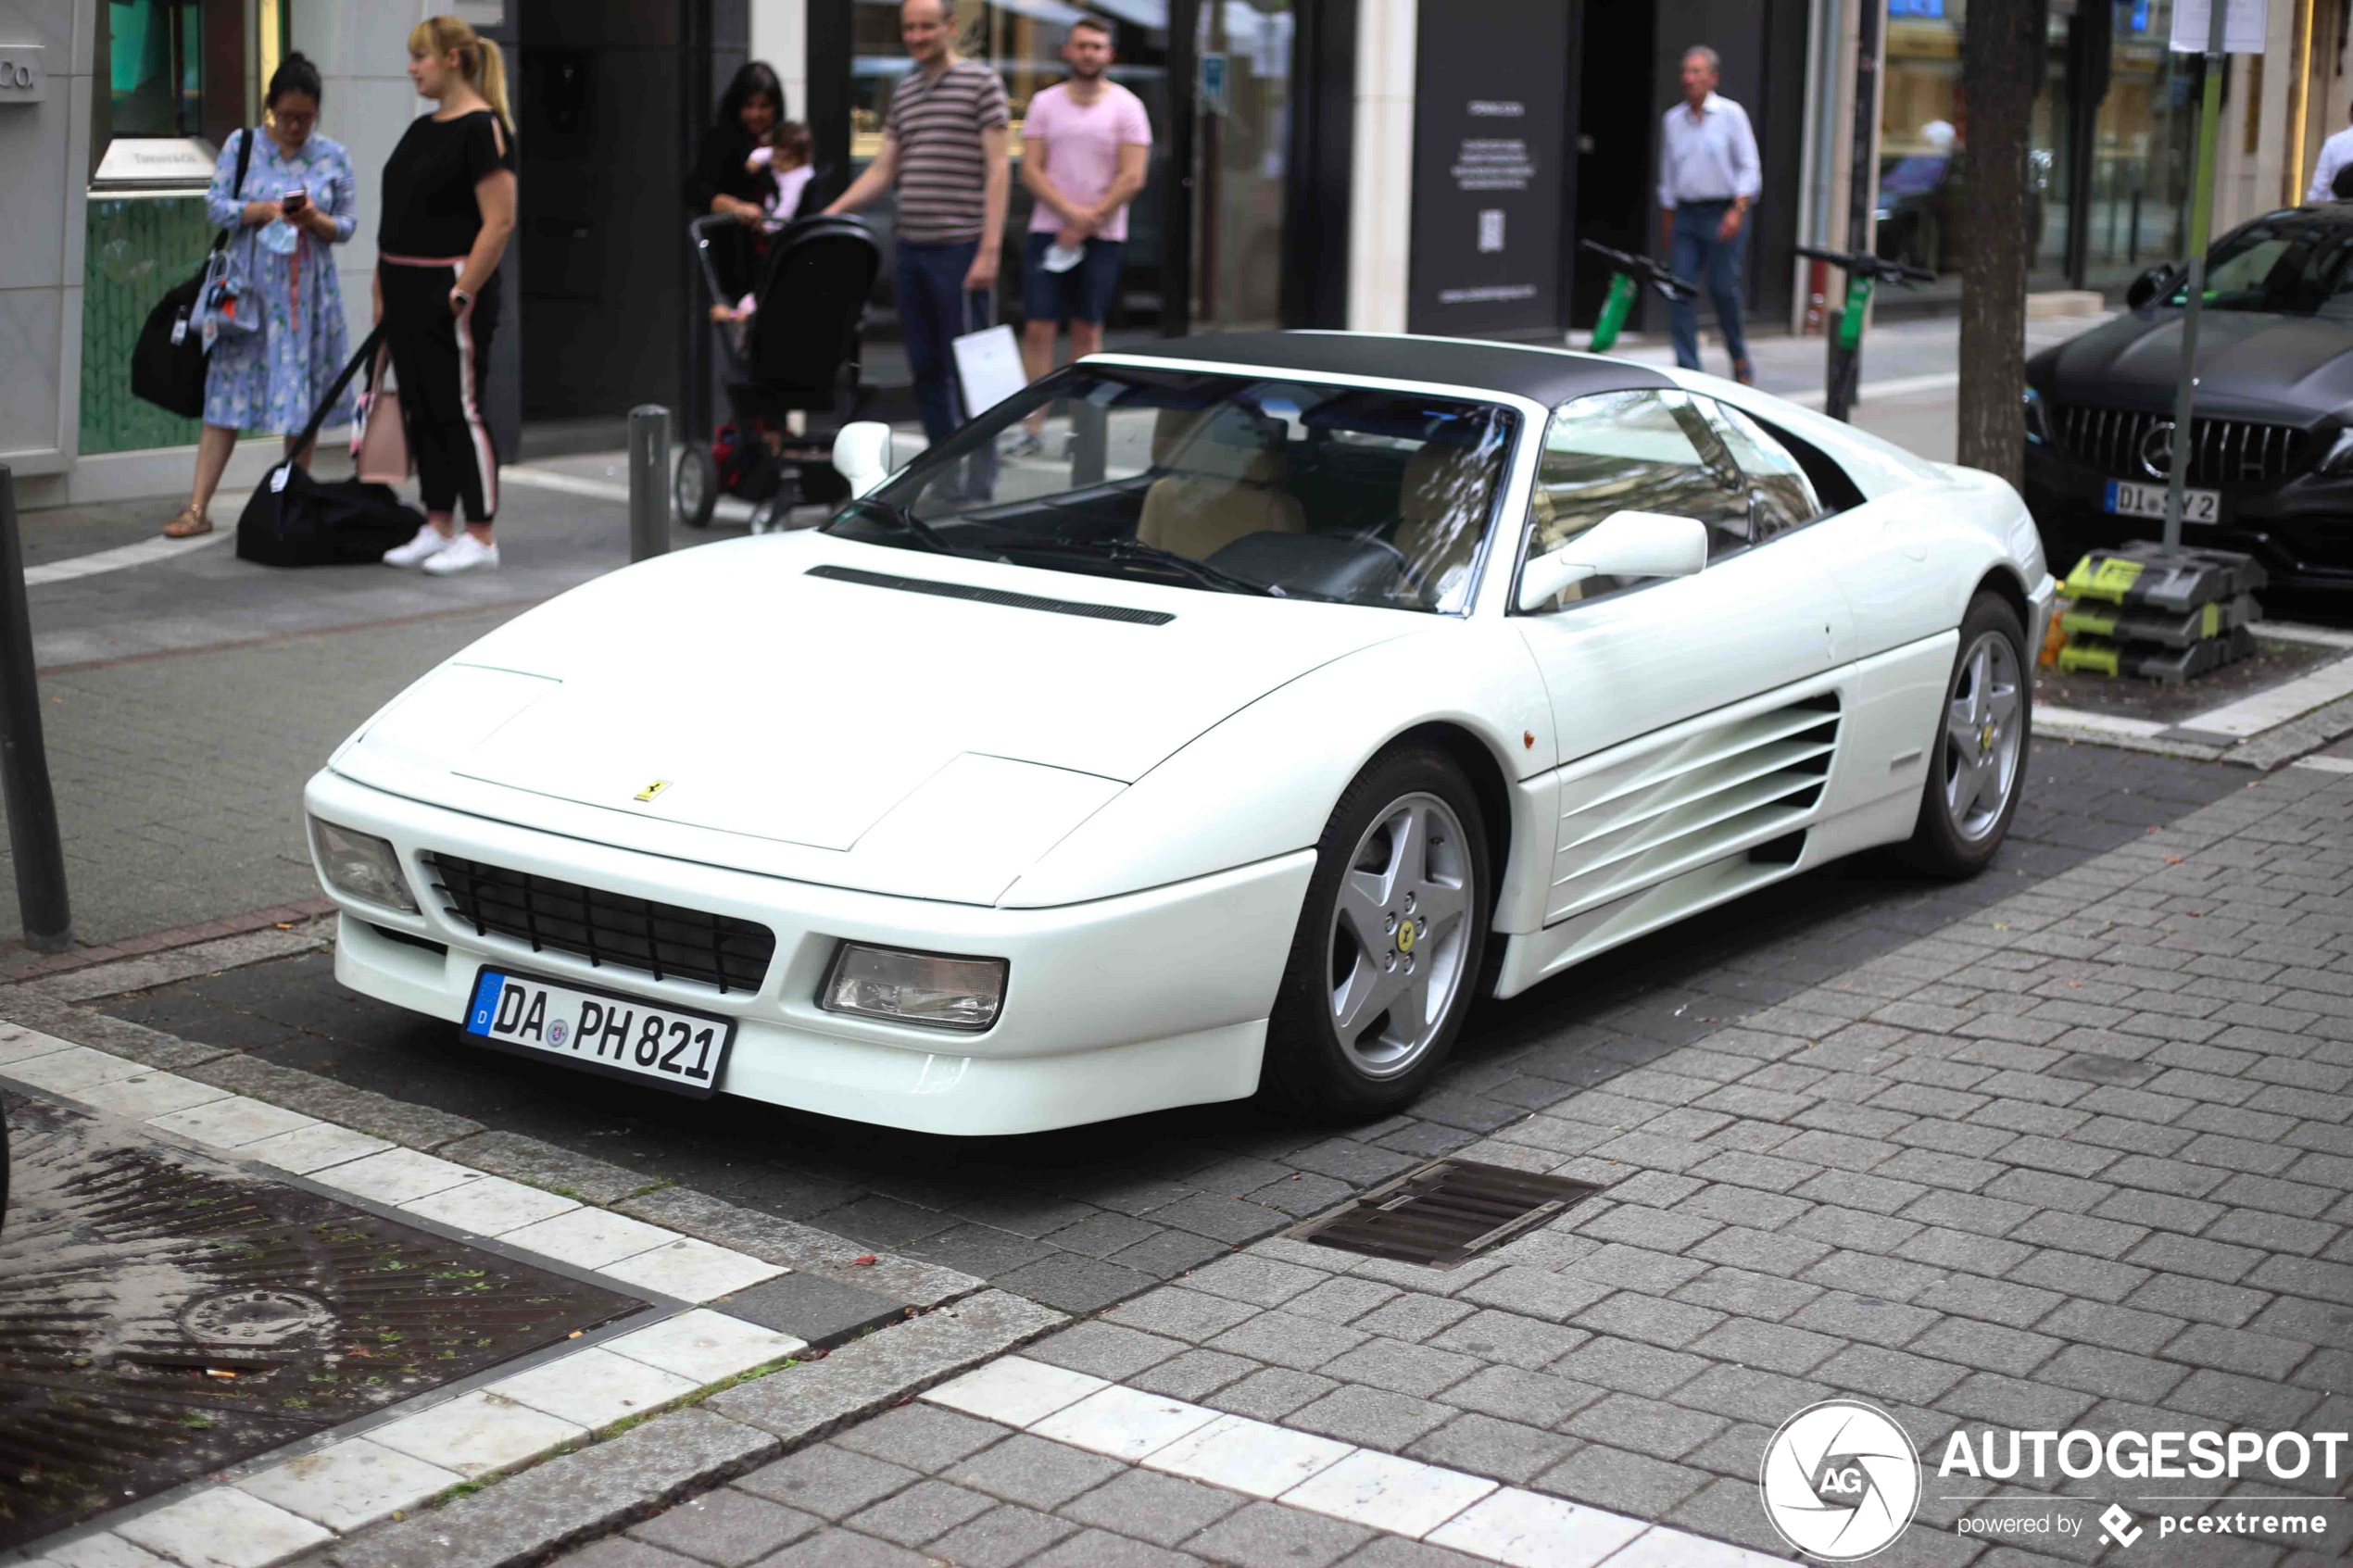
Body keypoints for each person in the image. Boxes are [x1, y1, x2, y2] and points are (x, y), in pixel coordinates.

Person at [164, 53, 357, 538]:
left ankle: (294, 504)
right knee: (224, 399)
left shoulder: (334, 155)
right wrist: (265, 209)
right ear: (270, 106)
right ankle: (197, 508)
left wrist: (315, 219)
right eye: (287, 116)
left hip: (308, 298)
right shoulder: (241, 144)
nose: (295, 126)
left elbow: (348, 226)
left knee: (302, 402)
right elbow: (216, 206)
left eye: (306, 118)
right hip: (246, 298)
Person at [825, 0, 1010, 502]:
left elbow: (999, 169)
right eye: (909, 27)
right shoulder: (905, 91)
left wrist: (990, 249)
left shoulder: (981, 83)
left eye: (927, 25)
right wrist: (832, 212)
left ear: (950, 27)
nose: (917, 35)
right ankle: (944, 476)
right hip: (911, 250)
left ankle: (982, 482)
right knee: (927, 370)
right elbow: (884, 169)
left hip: (962, 249)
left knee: (972, 371)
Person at [375, 15, 519, 576]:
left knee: (460, 409)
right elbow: (398, 216)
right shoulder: (422, 128)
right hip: (405, 287)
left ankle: (480, 534)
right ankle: (437, 524)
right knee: (422, 408)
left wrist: (461, 292)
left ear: (453, 60)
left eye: (420, 57)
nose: (412, 68)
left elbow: (499, 222)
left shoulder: (483, 128)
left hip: (448, 289)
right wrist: (381, 287)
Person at [1008, 15, 1149, 458]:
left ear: (1109, 55)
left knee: (1088, 331)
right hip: (1048, 232)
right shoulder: (1046, 103)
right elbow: (1030, 169)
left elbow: (1133, 176)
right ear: (1067, 51)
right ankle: (1032, 430)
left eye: (1097, 47)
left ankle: (1081, 432)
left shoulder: (1127, 106)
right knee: (1038, 329)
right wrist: (1069, 215)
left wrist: (1089, 220)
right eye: (1081, 45)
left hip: (1103, 236)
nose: (1088, 53)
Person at [1657, 45, 1760, 384]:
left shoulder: (1732, 115)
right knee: (1681, 291)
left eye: (1697, 71)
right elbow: (1669, 173)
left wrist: (1738, 209)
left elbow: (1749, 167)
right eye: (1686, 71)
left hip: (1724, 211)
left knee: (1722, 289)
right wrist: (1668, 214)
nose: (1689, 78)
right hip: (1686, 214)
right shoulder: (1673, 120)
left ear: (1712, 77)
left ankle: (1738, 354)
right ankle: (1690, 372)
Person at [692, 62, 795, 309]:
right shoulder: (721, 140)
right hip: (737, 253)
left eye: (763, 106)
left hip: (779, 251)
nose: (755, 114)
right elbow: (696, 189)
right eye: (748, 106)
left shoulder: (787, 140)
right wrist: (737, 207)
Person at [2309, 104, 2353, 203]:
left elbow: (2319, 188)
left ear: (2350, 114)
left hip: (2339, 211)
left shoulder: (2334, 143)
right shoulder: (2333, 143)